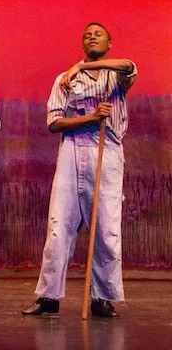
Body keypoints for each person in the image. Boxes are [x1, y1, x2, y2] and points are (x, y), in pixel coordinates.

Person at [21, 22, 137, 318]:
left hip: (107, 149)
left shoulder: (115, 76)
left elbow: (129, 65)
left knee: (106, 229)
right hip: (73, 149)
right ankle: (49, 297)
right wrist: (88, 118)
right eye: (87, 35)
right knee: (60, 226)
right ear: (82, 43)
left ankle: (102, 298)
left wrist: (79, 66)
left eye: (98, 34)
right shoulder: (65, 80)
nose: (92, 37)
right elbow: (53, 122)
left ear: (110, 42)